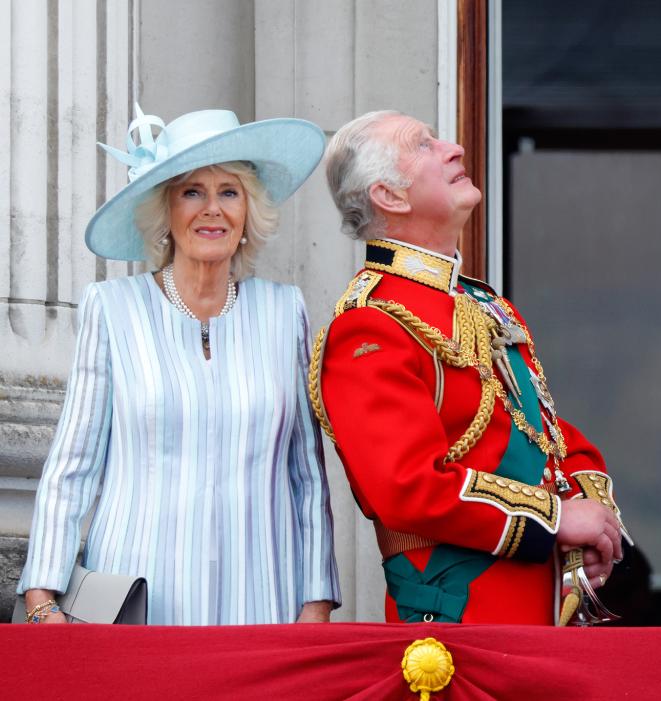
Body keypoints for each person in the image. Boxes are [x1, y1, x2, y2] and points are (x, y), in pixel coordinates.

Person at [17, 107, 341, 624]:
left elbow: (307, 473)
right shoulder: (112, 308)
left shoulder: (286, 312)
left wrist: (316, 602)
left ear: (248, 211)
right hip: (138, 602)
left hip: (262, 600)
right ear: (164, 209)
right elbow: (73, 466)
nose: (211, 209)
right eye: (192, 191)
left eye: (228, 192)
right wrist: (42, 598)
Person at [311, 110, 627, 624]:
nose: (453, 148)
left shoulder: (484, 304)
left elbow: (544, 434)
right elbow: (410, 488)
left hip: (539, 610)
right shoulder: (368, 324)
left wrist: (592, 519)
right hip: (456, 620)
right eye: (423, 145)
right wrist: (556, 519)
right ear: (389, 196)